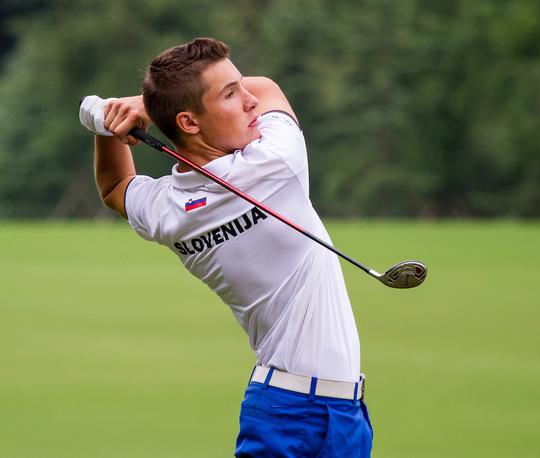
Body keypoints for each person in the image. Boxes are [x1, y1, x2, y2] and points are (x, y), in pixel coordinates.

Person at [79, 37, 373, 457]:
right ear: (189, 122)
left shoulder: (168, 209)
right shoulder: (275, 161)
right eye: (232, 94)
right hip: (302, 415)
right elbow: (271, 87)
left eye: (241, 86)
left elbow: (114, 187)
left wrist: (105, 124)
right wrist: (138, 105)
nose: (251, 101)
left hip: (307, 410)